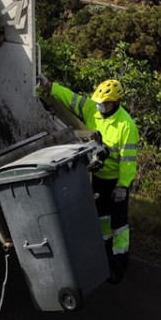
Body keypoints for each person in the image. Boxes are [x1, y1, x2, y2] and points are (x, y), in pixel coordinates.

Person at [40, 77, 139, 281]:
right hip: (99, 177)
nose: (100, 106)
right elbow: (72, 98)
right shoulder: (92, 110)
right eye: (99, 103)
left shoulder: (126, 125)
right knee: (102, 218)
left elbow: (128, 161)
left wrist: (123, 186)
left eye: (104, 104)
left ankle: (119, 265)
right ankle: (104, 258)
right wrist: (50, 85)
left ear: (115, 103)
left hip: (116, 181)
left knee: (119, 224)